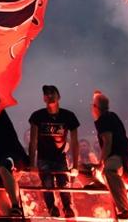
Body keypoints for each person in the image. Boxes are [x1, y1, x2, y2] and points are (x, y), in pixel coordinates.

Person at [28, 84, 80, 218]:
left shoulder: (68, 116)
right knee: (47, 183)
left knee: (64, 183)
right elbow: (33, 141)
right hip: (43, 157)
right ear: (44, 98)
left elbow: (75, 142)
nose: (50, 96)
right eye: (47, 94)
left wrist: (75, 165)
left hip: (60, 157)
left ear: (59, 96)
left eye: (52, 93)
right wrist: (32, 164)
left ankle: (68, 208)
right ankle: (52, 208)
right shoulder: (37, 116)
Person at [91, 90, 128, 220]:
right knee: (82, 169)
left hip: (120, 157)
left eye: (92, 104)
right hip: (121, 156)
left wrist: (100, 164)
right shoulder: (112, 116)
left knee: (108, 170)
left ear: (95, 108)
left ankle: (125, 209)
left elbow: (108, 142)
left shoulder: (104, 120)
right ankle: (102, 183)